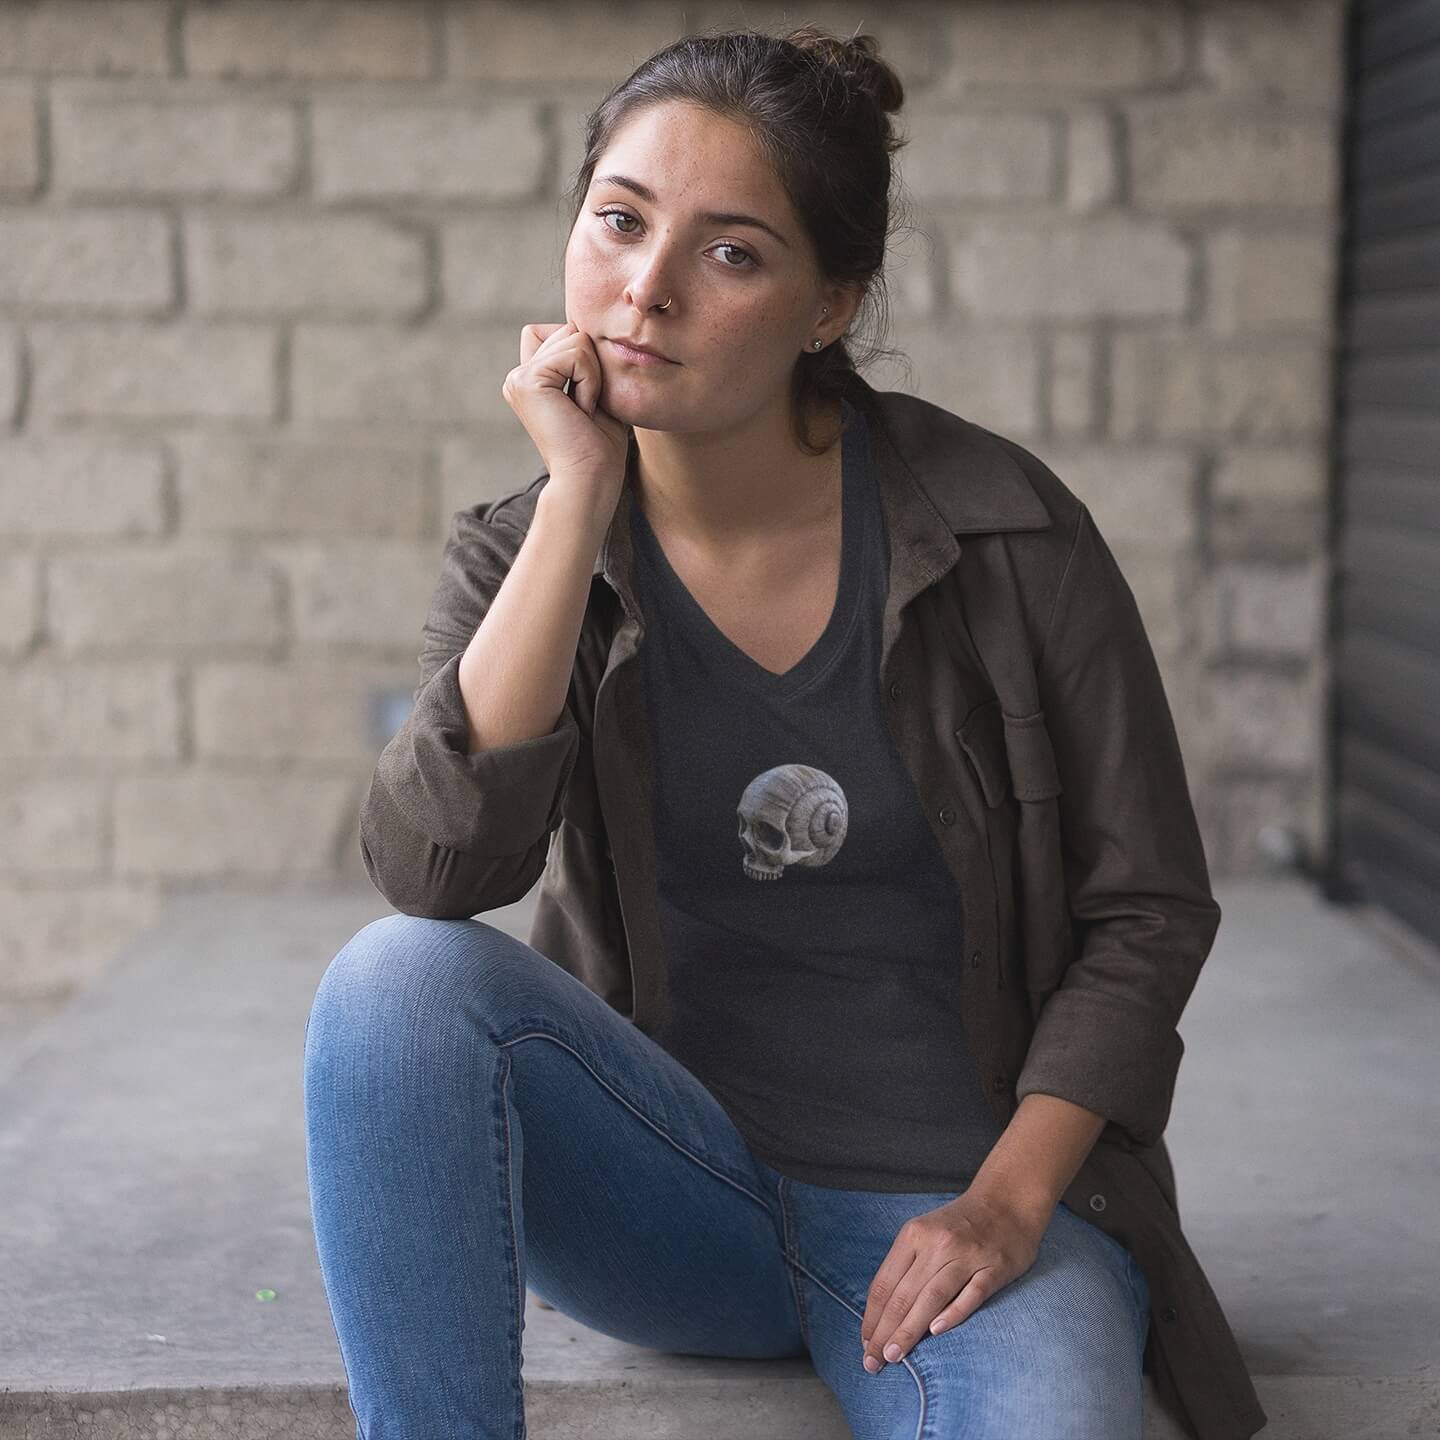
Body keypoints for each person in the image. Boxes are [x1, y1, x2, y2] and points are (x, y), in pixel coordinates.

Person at [303, 24, 1266, 1440]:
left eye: (732, 253)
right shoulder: (526, 552)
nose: (646, 289)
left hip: (965, 1213)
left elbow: (1148, 908)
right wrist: (575, 506)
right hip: (676, 1196)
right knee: (395, 986)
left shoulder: (1006, 533)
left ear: (830, 305)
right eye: (620, 223)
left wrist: (1007, 1206)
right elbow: (440, 873)